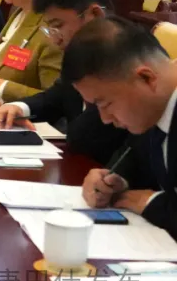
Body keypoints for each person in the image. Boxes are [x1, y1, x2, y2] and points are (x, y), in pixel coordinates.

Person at [0, 0, 128, 165]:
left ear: (94, 14)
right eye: (49, 29)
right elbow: (57, 96)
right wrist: (19, 107)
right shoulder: (82, 53)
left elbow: (88, 138)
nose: (55, 40)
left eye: (58, 26)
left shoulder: (125, 58)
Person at [66, 17, 177, 238]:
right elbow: (136, 151)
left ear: (146, 78)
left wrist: (152, 203)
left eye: (105, 104)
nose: (105, 119)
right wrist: (115, 179)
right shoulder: (154, 106)